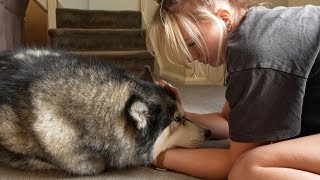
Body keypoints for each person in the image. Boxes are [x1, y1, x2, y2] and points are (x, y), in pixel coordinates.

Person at [147, 0, 320, 179]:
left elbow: (231, 163)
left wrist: (155, 155)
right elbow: (228, 123)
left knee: (247, 168)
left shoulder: (253, 53)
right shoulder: (252, 33)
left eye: (191, 44)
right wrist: (176, 115)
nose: (190, 58)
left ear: (224, 18)